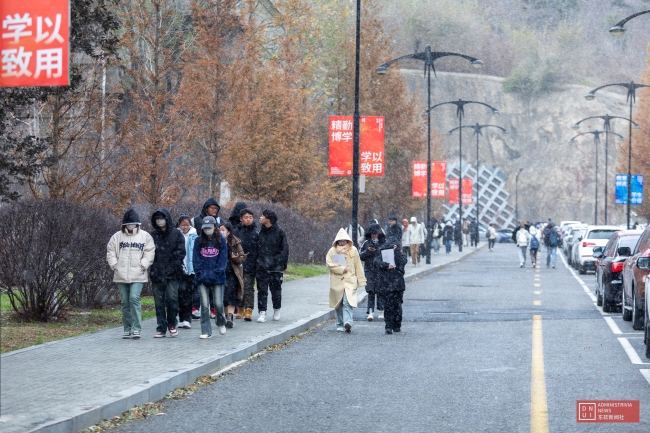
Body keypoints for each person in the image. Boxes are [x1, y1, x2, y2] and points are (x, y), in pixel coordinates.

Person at [106, 209, 155, 339]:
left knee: (134, 298)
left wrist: (143, 265)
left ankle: (137, 328)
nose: (131, 226)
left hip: (138, 274)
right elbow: (110, 251)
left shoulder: (145, 236)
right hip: (121, 274)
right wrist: (115, 265)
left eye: (133, 224)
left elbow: (150, 251)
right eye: (129, 224)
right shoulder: (117, 237)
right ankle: (127, 328)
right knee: (125, 302)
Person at [149, 208, 186, 338]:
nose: (160, 221)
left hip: (173, 273)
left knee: (172, 299)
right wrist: (155, 267)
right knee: (159, 301)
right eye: (157, 219)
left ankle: (172, 323)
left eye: (162, 219)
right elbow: (149, 253)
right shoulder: (153, 235)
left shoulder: (176, 234)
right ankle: (161, 327)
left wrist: (173, 265)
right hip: (157, 272)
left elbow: (181, 251)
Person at [193, 216, 228, 338]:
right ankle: (206, 331)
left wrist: (216, 273)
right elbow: (196, 259)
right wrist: (200, 273)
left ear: (215, 227)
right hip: (202, 278)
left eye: (210, 228)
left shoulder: (221, 240)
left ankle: (220, 321)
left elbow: (223, 259)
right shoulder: (198, 241)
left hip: (218, 278)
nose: (207, 230)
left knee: (218, 304)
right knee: (204, 305)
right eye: (205, 228)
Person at [326, 229, 367, 332]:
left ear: (347, 240)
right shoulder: (332, 251)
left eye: (344, 240)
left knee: (347, 301)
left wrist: (361, 280)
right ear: (337, 241)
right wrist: (340, 269)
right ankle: (340, 323)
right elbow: (329, 264)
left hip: (350, 279)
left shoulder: (353, 250)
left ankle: (347, 322)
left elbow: (358, 265)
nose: (342, 242)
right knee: (338, 303)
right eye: (340, 240)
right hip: (337, 280)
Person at [256, 209, 289, 322]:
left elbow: (284, 250)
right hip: (261, 267)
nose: (260, 217)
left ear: (268, 219)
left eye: (262, 216)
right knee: (262, 290)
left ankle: (276, 310)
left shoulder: (279, 232)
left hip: (275, 268)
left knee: (276, 291)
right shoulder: (259, 232)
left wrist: (274, 261)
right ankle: (262, 312)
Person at [191, 198, 221, 319]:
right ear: (206, 208)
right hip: (200, 253)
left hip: (214, 255)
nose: (214, 210)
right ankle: (195, 307)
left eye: (216, 209)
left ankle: (213, 309)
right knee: (198, 283)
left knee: (214, 285)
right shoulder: (195, 220)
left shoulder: (219, 220)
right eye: (212, 208)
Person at [374, 236, 408, 334]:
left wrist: (395, 252)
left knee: (397, 306)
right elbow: (376, 262)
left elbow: (402, 262)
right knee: (388, 306)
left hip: (397, 286)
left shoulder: (401, 255)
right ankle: (388, 326)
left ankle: (397, 325)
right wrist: (386, 265)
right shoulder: (383, 254)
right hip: (387, 285)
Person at [219, 222, 246, 328]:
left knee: (231, 295)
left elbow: (242, 256)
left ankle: (229, 317)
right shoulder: (216, 241)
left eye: (223, 230)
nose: (221, 232)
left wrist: (235, 257)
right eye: (220, 230)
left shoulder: (235, 242)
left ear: (228, 231)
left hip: (232, 272)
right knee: (223, 297)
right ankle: (225, 316)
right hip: (220, 272)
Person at [233, 208, 258, 321]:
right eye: (246, 217)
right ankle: (240, 308)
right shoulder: (236, 232)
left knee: (248, 287)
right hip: (238, 263)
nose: (248, 220)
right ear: (241, 219)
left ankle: (249, 309)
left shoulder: (256, 232)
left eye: (250, 217)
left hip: (251, 263)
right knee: (239, 287)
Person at [359, 223, 385, 321]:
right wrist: (368, 251)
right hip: (369, 270)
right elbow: (360, 256)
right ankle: (370, 312)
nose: (374, 236)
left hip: (381, 270)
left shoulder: (384, 243)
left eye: (375, 234)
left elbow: (387, 256)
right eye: (372, 234)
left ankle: (381, 310)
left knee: (380, 291)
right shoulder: (366, 243)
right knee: (370, 291)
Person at [177, 215, 198, 329]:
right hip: (179, 268)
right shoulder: (176, 235)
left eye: (187, 224)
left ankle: (187, 318)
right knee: (179, 293)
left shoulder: (195, 236)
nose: (185, 227)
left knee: (187, 294)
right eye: (183, 225)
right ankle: (181, 318)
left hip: (190, 269)